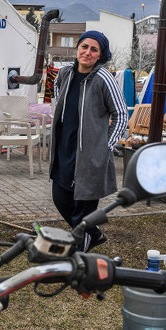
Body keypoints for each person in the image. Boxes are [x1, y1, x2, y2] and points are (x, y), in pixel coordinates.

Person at [49, 31, 128, 252]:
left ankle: (78, 257)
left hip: (91, 154)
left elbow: (121, 114)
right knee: (60, 197)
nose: (87, 52)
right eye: (84, 46)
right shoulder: (65, 73)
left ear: (100, 55)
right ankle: (94, 234)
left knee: (83, 209)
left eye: (94, 49)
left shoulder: (104, 79)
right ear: (77, 49)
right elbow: (57, 92)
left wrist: (106, 146)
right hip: (65, 148)